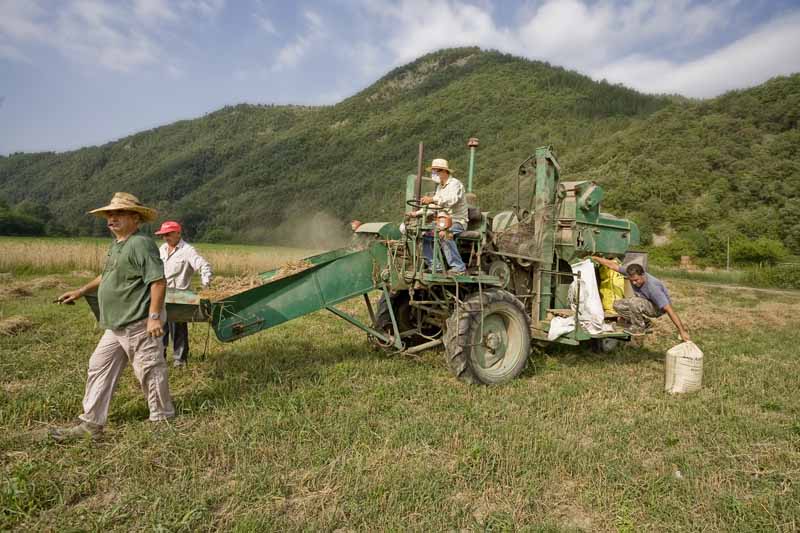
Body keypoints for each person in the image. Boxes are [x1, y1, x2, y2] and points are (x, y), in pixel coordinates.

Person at [51, 192, 174, 442]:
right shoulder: (117, 245)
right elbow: (106, 275)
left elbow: (158, 282)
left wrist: (153, 317)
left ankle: (162, 421)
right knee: (98, 367)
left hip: (138, 321)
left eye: (118, 214)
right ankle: (91, 424)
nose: (112, 219)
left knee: (150, 369)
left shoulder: (140, 244)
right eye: (109, 214)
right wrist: (81, 290)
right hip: (115, 325)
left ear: (135, 218)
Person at [590, 256, 691, 342]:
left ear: (642, 275)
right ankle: (645, 323)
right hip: (644, 302)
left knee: (634, 302)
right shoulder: (630, 272)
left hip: (657, 308)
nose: (634, 283)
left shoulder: (653, 288)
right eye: (631, 280)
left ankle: (639, 328)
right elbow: (612, 265)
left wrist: (681, 331)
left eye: (636, 280)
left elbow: (670, 310)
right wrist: (595, 258)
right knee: (617, 305)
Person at [154, 220, 213, 367]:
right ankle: (159, 358)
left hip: (180, 297)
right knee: (160, 327)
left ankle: (180, 361)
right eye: (163, 235)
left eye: (168, 234)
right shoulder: (162, 249)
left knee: (178, 328)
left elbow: (203, 265)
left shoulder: (188, 250)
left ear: (178, 233)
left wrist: (206, 282)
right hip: (161, 294)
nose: (165, 238)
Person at [418, 158, 468, 274]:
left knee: (443, 234)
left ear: (445, 171)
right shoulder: (439, 187)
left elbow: (452, 200)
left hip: (457, 221)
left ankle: (459, 267)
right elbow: (435, 206)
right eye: (433, 171)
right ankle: (435, 265)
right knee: (424, 234)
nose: (434, 174)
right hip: (441, 221)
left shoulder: (455, 184)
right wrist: (417, 213)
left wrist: (433, 199)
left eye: (436, 171)